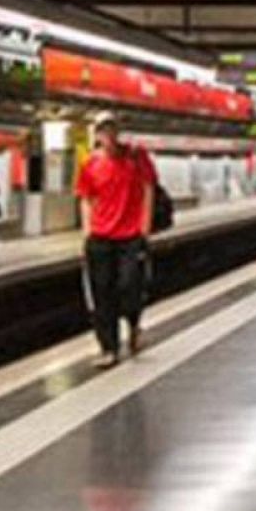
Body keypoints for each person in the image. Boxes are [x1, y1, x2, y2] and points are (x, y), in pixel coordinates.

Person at [76, 111, 157, 369]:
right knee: (102, 294)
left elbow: (148, 188)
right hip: (101, 237)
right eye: (103, 130)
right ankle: (108, 347)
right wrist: (87, 231)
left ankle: (133, 324)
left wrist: (145, 226)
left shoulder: (136, 157)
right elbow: (86, 198)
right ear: (97, 135)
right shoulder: (90, 164)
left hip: (131, 236)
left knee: (130, 286)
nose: (108, 135)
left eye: (111, 129)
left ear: (117, 132)